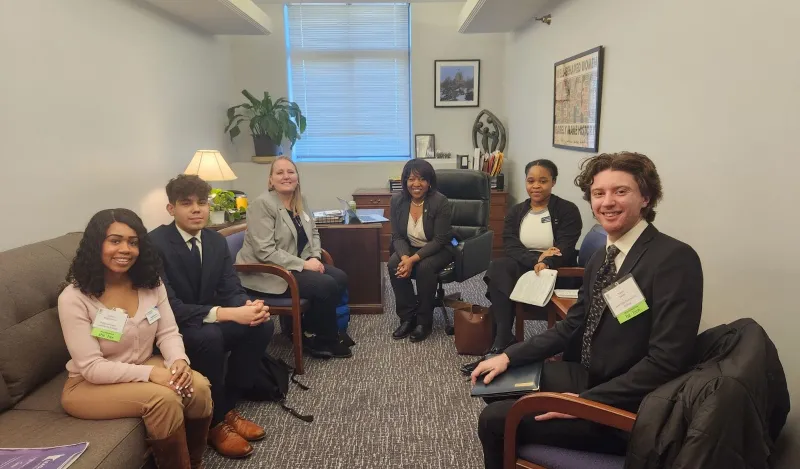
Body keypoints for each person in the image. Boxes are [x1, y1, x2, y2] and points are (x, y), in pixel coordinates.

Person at [473, 152, 704, 469]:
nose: (607, 202)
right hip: (591, 374)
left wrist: (588, 403)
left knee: (495, 418)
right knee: (496, 381)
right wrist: (509, 355)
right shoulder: (603, 257)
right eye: (599, 193)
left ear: (646, 198)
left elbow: (667, 360)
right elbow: (572, 325)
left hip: (629, 404)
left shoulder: (673, 259)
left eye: (620, 191)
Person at [58, 209, 213, 469]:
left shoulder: (151, 284)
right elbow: (92, 368)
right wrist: (152, 375)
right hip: (88, 384)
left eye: (133, 242)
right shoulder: (74, 298)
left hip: (142, 365)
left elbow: (167, 332)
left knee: (197, 388)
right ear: (97, 244)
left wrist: (178, 361)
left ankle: (194, 463)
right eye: (115, 240)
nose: (125, 249)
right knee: (163, 399)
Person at [149, 175, 273, 459]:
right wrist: (228, 313)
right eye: (186, 203)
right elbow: (170, 307)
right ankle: (214, 424)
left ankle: (227, 405)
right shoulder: (154, 244)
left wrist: (248, 307)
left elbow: (230, 288)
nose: (196, 210)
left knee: (261, 326)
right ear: (171, 209)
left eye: (202, 203)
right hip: (173, 329)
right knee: (210, 337)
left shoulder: (215, 241)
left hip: (209, 319)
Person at [236, 156, 352, 359]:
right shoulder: (262, 204)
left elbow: (313, 232)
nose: (286, 176)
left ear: (297, 177)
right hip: (268, 271)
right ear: (271, 180)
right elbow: (265, 251)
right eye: (279, 173)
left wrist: (315, 257)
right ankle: (324, 340)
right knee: (325, 285)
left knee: (340, 277)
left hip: (293, 265)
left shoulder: (300, 200)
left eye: (290, 172)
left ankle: (309, 329)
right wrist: (304, 264)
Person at [483, 159, 582, 354]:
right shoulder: (517, 211)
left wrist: (547, 261)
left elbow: (565, 247)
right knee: (498, 268)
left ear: (553, 182)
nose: (536, 186)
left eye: (543, 181)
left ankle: (503, 336)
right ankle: (504, 334)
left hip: (557, 270)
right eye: (530, 181)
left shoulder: (567, 210)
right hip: (526, 263)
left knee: (502, 281)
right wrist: (535, 260)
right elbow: (510, 244)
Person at [389, 159, 453, 343]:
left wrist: (412, 260)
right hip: (410, 246)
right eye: (411, 179)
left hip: (439, 248)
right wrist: (405, 257)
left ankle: (424, 322)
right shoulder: (397, 201)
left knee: (425, 267)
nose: (416, 184)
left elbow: (440, 239)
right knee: (394, 263)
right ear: (405, 181)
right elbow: (397, 236)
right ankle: (408, 318)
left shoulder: (440, 201)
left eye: (422, 179)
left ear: (429, 182)